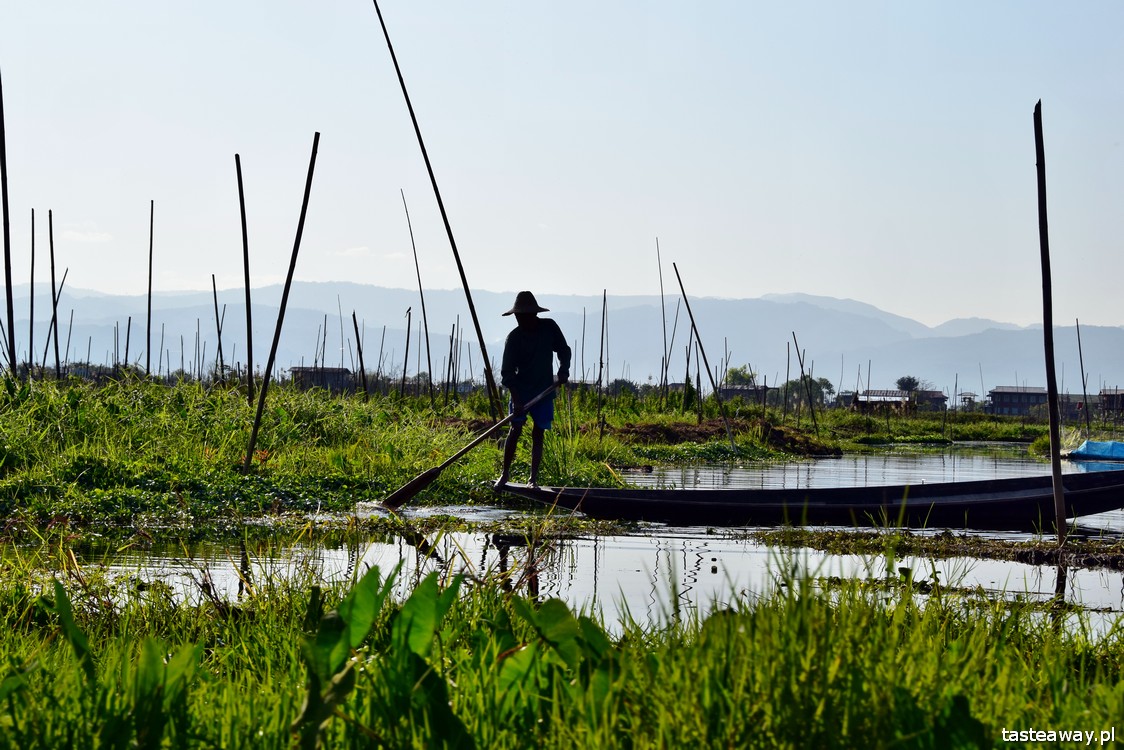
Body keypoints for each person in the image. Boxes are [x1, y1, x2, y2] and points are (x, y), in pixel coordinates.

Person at [495, 291, 571, 487]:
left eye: (524, 316)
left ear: (534, 315)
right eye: (518, 317)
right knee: (516, 428)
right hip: (521, 391)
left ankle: (533, 479)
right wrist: (517, 400)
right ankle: (504, 475)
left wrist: (564, 370)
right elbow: (508, 373)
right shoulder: (514, 338)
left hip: (544, 389)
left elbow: (564, 349)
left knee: (539, 432)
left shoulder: (549, 328)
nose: (520, 320)